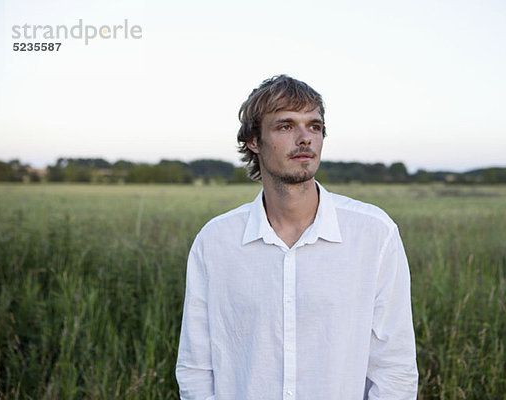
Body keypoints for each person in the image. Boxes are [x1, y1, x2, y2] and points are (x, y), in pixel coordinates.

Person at [176, 75, 418, 399]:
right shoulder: (216, 242)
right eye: (286, 126)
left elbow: (394, 367)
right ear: (253, 140)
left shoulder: (374, 234)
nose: (305, 138)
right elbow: (196, 368)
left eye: (314, 126)